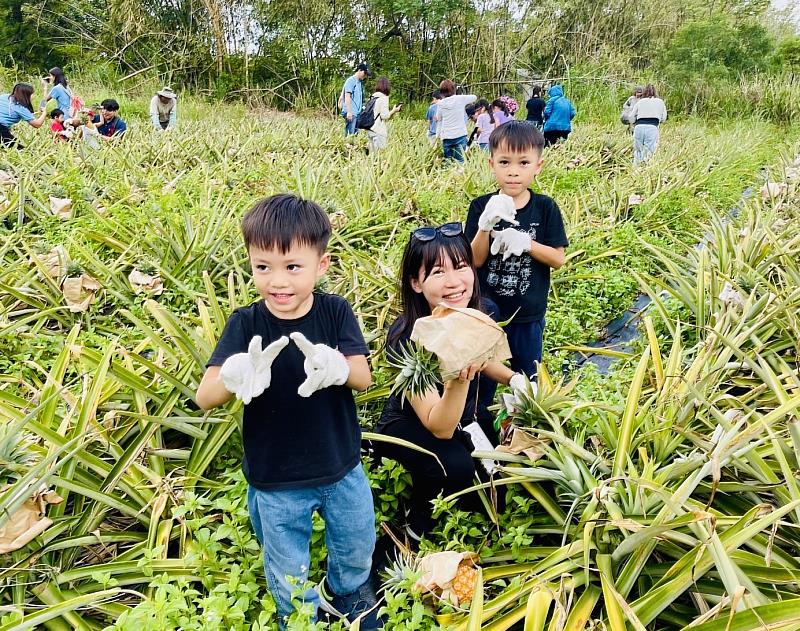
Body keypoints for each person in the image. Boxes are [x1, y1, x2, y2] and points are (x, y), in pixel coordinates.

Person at [195, 194, 380, 630]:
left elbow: (362, 376)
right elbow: (205, 396)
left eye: (293, 266)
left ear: (322, 264)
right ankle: (298, 615)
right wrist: (235, 374)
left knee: (356, 543)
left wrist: (336, 366)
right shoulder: (246, 323)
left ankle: (348, 590)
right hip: (275, 477)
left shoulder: (335, 313)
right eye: (263, 267)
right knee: (286, 565)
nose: (277, 281)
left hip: (341, 466)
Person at [375, 224, 521, 538]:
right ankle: (413, 532)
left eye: (460, 266)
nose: (454, 282)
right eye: (438, 272)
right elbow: (437, 425)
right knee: (453, 467)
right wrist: (458, 377)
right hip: (410, 422)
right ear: (416, 283)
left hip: (463, 416)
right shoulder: (405, 337)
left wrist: (516, 381)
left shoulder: (481, 312)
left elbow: (488, 358)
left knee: (498, 484)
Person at [466, 121, 568, 377]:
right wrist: (484, 227)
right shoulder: (481, 207)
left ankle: (520, 416)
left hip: (528, 314)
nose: (513, 172)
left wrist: (527, 243)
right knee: (484, 378)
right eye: (504, 162)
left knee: (526, 378)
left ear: (538, 166)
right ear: (491, 164)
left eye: (523, 163)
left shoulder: (546, 208)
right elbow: (475, 261)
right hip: (487, 313)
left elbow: (557, 259)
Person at [435, 79, 476, 163]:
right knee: (461, 161)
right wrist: (461, 96)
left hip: (446, 136)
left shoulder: (441, 104)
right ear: (453, 89)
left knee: (448, 161)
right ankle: (459, 175)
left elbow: (438, 118)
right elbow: (474, 97)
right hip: (460, 135)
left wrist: (437, 136)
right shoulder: (460, 99)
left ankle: (447, 175)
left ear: (441, 92)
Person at [0, 84, 47, 148]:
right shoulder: (20, 107)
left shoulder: (4, 96)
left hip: (3, 128)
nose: (33, 96)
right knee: (19, 149)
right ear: (26, 95)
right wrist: (44, 113)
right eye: (32, 94)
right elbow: (37, 124)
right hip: (1, 129)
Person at [630, 84, 667, 165]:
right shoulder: (660, 102)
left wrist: (634, 123)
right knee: (649, 151)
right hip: (652, 127)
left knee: (638, 151)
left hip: (639, 127)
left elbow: (631, 117)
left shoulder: (640, 102)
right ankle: (646, 169)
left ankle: (635, 170)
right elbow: (664, 118)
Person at [365, 77, 401, 153]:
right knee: (379, 156)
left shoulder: (372, 97)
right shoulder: (384, 98)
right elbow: (385, 116)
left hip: (370, 129)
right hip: (378, 131)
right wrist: (394, 110)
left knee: (371, 157)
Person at [341, 63, 370, 136]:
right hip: (351, 112)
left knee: (355, 135)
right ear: (360, 70)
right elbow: (347, 96)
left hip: (357, 113)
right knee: (350, 135)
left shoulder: (360, 83)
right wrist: (349, 112)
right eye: (365, 73)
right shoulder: (351, 81)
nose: (365, 76)